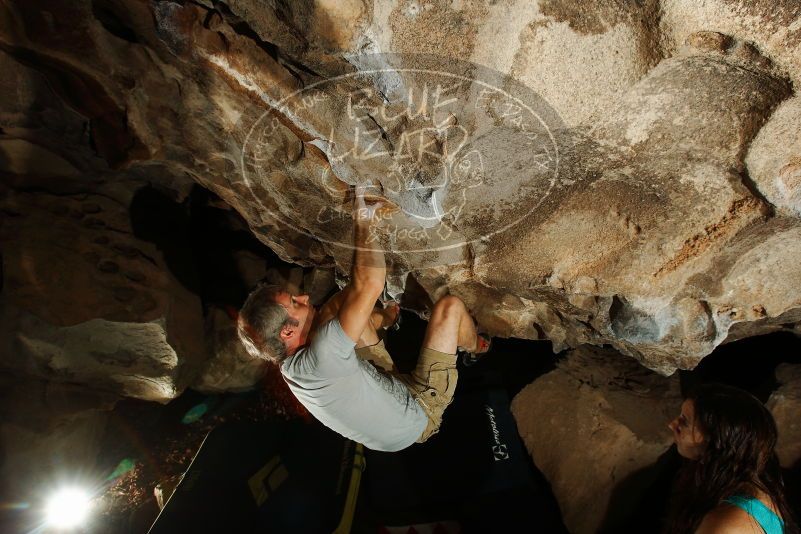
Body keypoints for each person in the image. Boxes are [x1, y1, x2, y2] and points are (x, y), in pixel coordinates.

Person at [236, 185, 490, 452]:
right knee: (450, 307)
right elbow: (370, 283)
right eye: (294, 304)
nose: (305, 299)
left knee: (338, 309)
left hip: (380, 395)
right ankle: (477, 348)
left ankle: (390, 316)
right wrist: (363, 221)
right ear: (286, 333)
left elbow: (350, 300)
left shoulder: (289, 362)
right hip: (417, 414)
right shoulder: (322, 356)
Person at [665, 383, 798, 534]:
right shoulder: (752, 491)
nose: (672, 424)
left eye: (685, 421)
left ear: (716, 438)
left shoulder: (727, 525)